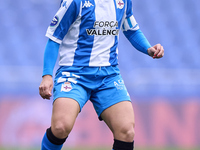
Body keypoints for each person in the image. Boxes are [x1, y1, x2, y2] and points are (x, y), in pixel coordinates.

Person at [39, 0, 164, 149]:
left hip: (108, 76)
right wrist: (47, 75)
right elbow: (54, 38)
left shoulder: (123, 2)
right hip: (74, 74)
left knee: (126, 131)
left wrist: (148, 49)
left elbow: (131, 29)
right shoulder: (74, 2)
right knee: (61, 127)